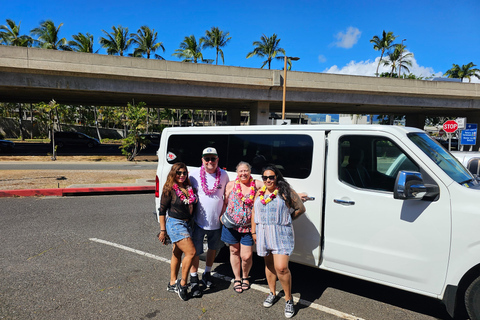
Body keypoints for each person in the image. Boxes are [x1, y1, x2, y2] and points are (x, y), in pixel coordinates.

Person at [251, 165, 306, 319]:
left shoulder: (285, 192)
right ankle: (272, 293)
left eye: (271, 177)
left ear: (277, 177)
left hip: (281, 234)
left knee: (281, 268)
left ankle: (289, 300)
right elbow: (254, 211)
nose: (268, 180)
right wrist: (253, 230)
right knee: (268, 264)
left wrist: (287, 219)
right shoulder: (259, 193)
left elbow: (300, 208)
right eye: (265, 177)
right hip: (263, 233)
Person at [188, 147, 229, 297]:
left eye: (213, 158)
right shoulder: (193, 175)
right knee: (196, 252)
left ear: (218, 160)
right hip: (199, 223)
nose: (210, 161)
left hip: (217, 223)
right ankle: (194, 279)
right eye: (207, 158)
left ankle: (207, 274)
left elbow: (227, 195)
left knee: (213, 249)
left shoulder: (224, 175)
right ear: (202, 160)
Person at [221, 161, 263, 293]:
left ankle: (246, 276)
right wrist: (222, 216)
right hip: (231, 226)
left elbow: (274, 186)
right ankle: (237, 278)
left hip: (248, 228)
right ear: (237, 173)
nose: (243, 173)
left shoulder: (256, 184)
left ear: (250, 172)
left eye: (246, 171)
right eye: (241, 171)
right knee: (234, 251)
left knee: (246, 256)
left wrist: (295, 194)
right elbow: (225, 202)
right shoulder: (231, 185)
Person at [158, 162, 198, 301]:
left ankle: (172, 283)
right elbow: (162, 211)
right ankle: (183, 284)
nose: (181, 175)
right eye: (178, 173)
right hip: (175, 223)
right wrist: (163, 230)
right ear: (173, 173)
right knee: (191, 252)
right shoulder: (169, 189)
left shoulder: (188, 187)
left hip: (188, 223)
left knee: (177, 252)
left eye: (184, 173)